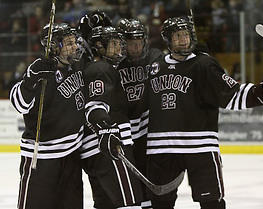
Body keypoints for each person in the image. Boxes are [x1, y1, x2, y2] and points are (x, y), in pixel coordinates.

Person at [145, 17, 263, 209]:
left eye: (185, 35)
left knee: (212, 203)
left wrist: (261, 92)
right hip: (162, 147)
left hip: (200, 147)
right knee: (160, 204)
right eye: (177, 36)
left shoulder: (204, 64)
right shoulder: (154, 67)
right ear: (167, 40)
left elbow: (230, 93)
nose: (183, 40)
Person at [9, 23, 86, 209]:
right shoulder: (41, 72)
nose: (74, 46)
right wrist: (30, 80)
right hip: (42, 161)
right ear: (53, 47)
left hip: (72, 157)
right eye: (68, 43)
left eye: (74, 42)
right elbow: (18, 104)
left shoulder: (76, 67)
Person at [82, 25, 143, 209]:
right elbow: (95, 105)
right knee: (129, 204)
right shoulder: (100, 68)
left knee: (106, 205)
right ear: (99, 46)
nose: (119, 48)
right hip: (109, 148)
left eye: (119, 44)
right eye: (114, 44)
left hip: (97, 149)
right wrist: (106, 130)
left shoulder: (101, 68)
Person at [117, 18, 165, 209]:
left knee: (149, 171)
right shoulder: (114, 64)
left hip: (147, 128)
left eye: (139, 43)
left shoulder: (155, 58)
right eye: (131, 43)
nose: (136, 48)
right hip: (124, 131)